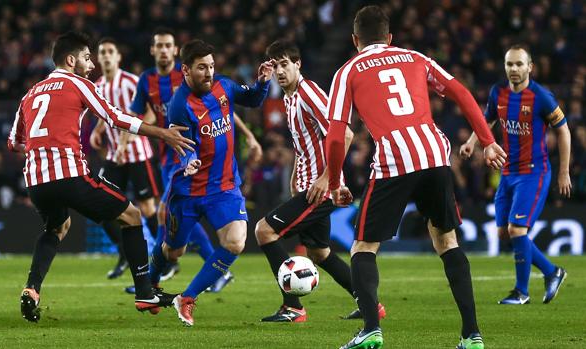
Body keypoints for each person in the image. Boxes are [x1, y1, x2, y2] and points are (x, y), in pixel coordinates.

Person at [324, 6, 507, 349]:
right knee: (447, 242)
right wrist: (488, 141)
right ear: (390, 37)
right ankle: (472, 335)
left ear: (354, 40)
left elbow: (335, 136)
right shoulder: (414, 57)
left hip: (395, 158)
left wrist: (335, 183)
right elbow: (463, 94)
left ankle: (371, 329)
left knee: (363, 247)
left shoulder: (347, 72)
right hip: (435, 154)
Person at [7, 31, 194, 322]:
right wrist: (163, 134)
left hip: (36, 181)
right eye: (85, 58)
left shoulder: (29, 93)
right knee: (131, 216)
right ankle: (145, 292)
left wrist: (43, 150)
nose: (91, 64)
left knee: (57, 228)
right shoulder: (79, 84)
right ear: (71, 60)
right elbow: (116, 117)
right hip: (69, 174)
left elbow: (14, 143)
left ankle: (32, 288)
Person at [123, 28, 262, 294]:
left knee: (182, 224)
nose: (164, 50)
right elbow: (144, 118)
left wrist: (248, 136)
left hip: (213, 176)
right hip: (174, 163)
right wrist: (124, 139)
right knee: (173, 240)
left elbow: (225, 109)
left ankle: (197, 280)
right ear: (153, 50)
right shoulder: (149, 82)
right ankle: (158, 275)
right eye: (159, 46)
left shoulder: (204, 79)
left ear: (175, 52)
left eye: (168, 46)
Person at [255, 39, 386, 323]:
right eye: (275, 65)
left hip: (320, 190)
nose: (279, 71)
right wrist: (294, 178)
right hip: (307, 185)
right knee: (319, 252)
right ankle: (370, 304)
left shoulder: (308, 92)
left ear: (298, 64)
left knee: (264, 232)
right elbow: (304, 146)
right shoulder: (289, 98)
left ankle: (293, 306)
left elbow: (345, 134)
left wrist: (328, 179)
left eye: (285, 64)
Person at [158, 39, 272, 326]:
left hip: (224, 187)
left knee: (235, 243)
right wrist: (189, 161)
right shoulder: (179, 105)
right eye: (201, 68)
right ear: (185, 70)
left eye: (211, 66)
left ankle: (187, 297)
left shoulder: (224, 86)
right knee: (173, 251)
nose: (208, 73)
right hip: (188, 191)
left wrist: (262, 83)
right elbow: (181, 145)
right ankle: (149, 285)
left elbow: (254, 100)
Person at [460, 45, 571, 305]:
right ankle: (552, 271)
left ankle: (521, 292)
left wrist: (564, 171)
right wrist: (471, 142)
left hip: (534, 173)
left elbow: (563, 131)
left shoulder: (542, 97)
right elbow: (487, 120)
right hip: (507, 171)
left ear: (530, 67)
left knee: (517, 229)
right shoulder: (497, 92)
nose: (514, 69)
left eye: (519, 64)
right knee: (503, 233)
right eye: (510, 64)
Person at [89, 37, 159, 280]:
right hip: (114, 157)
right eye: (102, 52)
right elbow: (104, 112)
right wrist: (98, 131)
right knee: (101, 204)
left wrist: (125, 141)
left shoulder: (131, 82)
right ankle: (124, 253)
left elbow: (149, 113)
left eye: (111, 51)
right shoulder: (97, 85)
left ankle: (162, 257)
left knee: (147, 207)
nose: (106, 56)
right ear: (98, 59)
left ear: (118, 57)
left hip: (137, 154)